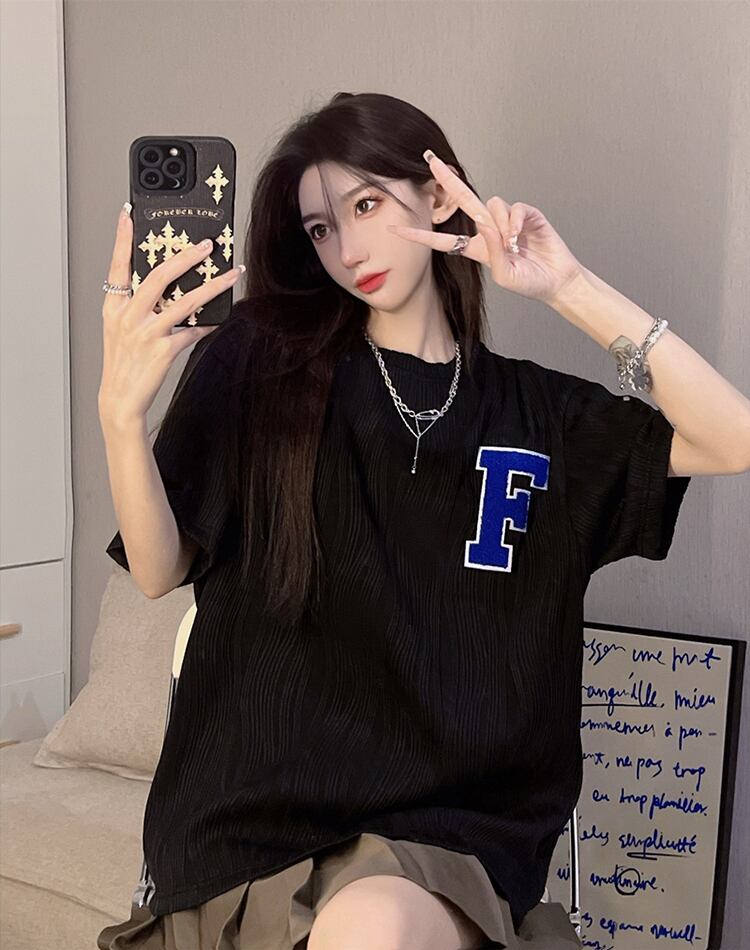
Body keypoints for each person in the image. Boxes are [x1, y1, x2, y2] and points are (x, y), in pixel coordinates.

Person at [96, 90, 716, 949]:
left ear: (436, 193)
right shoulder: (258, 363)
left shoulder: (540, 415)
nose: (348, 250)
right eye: (321, 229)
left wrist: (567, 288)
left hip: (448, 841)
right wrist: (120, 417)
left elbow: (730, 437)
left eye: (366, 206)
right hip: (248, 834)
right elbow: (158, 570)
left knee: (376, 921)